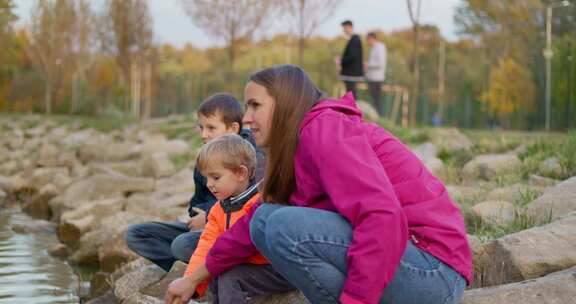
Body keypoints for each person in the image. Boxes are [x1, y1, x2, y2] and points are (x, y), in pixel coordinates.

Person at [165, 65, 472, 304]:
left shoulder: (324, 129)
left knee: (281, 224)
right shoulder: (299, 146)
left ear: (284, 103)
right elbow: (247, 228)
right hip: (412, 267)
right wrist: (194, 278)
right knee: (263, 220)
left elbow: (382, 217)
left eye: (255, 105)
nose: (246, 118)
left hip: (434, 273)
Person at [124, 93, 264, 272]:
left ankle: (207, 271)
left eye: (211, 128)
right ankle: (189, 270)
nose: (204, 134)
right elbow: (197, 200)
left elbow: (251, 203)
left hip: (234, 234)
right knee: (136, 234)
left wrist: (207, 215)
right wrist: (199, 216)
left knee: (181, 245)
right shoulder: (206, 156)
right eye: (201, 127)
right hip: (206, 229)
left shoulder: (251, 158)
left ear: (233, 128)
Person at [183, 134, 293, 303]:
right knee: (213, 272)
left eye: (216, 177)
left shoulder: (261, 202)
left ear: (241, 173)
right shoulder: (217, 210)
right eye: (206, 178)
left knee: (230, 277)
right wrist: (191, 285)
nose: (208, 184)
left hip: (281, 268)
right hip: (250, 266)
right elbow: (205, 247)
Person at [335, 20, 363, 99]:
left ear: (349, 27)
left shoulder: (355, 40)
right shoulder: (353, 39)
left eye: (344, 28)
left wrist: (341, 60)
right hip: (350, 73)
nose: (343, 30)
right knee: (350, 93)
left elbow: (352, 56)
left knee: (351, 94)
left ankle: (352, 110)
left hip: (351, 73)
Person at [365, 32, 387, 115]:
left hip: (377, 78)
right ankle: (377, 115)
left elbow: (380, 63)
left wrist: (368, 65)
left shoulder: (380, 47)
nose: (367, 42)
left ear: (371, 38)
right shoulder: (374, 48)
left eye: (368, 40)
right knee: (374, 99)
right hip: (372, 77)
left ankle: (378, 116)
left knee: (376, 99)